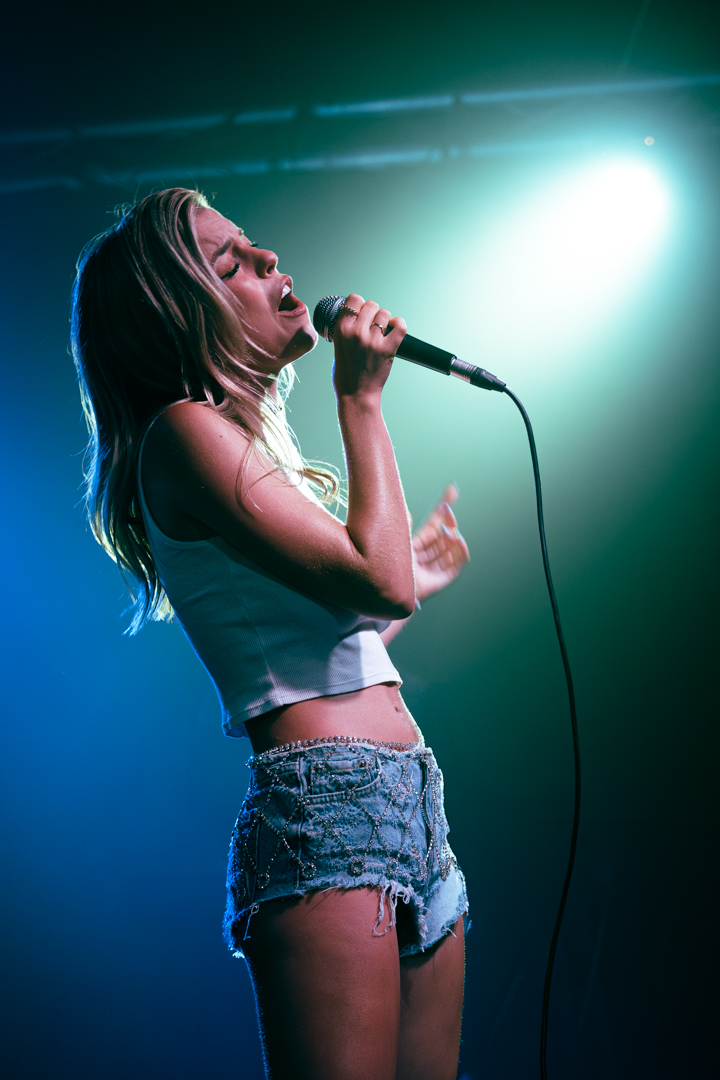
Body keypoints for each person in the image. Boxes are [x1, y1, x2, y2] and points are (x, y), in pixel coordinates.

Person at [71, 187, 470, 1080]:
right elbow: (377, 581)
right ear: (180, 317)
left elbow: (328, 649)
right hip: (326, 810)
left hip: (412, 801)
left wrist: (404, 584)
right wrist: (360, 401)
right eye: (230, 263)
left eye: (253, 246)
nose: (267, 260)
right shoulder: (182, 434)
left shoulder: (246, 449)